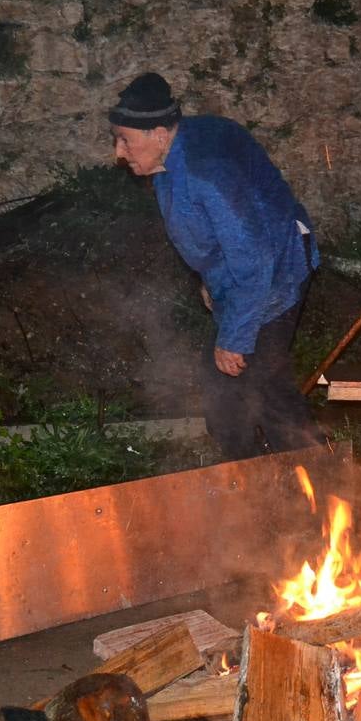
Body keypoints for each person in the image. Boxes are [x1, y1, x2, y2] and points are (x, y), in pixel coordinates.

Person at [109, 72, 323, 460]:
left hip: (275, 275)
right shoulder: (166, 161)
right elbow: (211, 236)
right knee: (228, 389)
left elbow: (255, 260)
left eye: (126, 140)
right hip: (248, 270)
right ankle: (258, 478)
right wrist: (210, 279)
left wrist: (234, 338)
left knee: (259, 384)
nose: (119, 153)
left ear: (159, 134)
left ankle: (313, 483)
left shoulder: (206, 174)